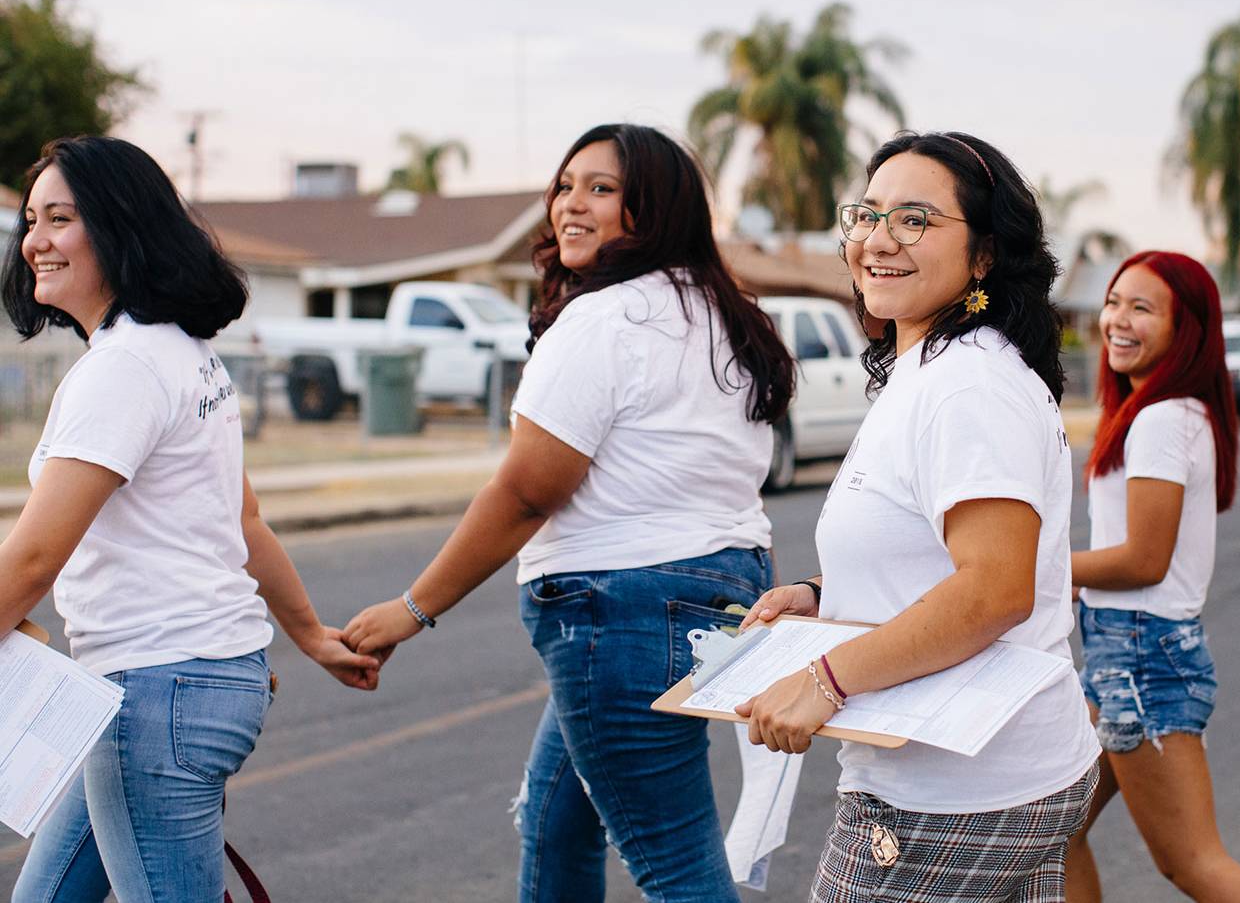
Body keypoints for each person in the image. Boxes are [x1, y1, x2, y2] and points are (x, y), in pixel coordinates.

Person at [342, 123, 794, 903]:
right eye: (566, 185)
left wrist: (412, 609)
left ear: (650, 210)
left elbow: (527, 492)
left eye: (602, 189)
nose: (570, 205)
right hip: (716, 594)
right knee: (556, 821)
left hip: (619, 611)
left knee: (675, 864)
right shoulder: (723, 317)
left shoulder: (603, 321)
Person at [1, 136, 381, 903]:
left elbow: (36, 556)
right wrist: (309, 635)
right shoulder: (181, 353)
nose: (36, 240)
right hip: (171, 688)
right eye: (31, 221)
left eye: (61, 219)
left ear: (118, 228)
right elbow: (241, 520)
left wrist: (305, 636)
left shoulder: (123, 370)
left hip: (157, 696)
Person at [738, 131, 1100, 902]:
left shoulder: (968, 386)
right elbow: (931, 555)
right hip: (983, 770)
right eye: (867, 215)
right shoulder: (929, 372)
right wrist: (819, 594)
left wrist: (825, 680)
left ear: (984, 257)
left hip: (953, 789)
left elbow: (994, 589)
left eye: (915, 219)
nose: (878, 238)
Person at [1062, 251, 1240, 903]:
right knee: (1052, 829)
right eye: (1114, 302)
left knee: (1192, 863)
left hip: (1140, 657)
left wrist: (1037, 570)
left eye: (1142, 308)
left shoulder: (1160, 418)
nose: (1118, 320)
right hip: (1121, 655)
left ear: (1186, 330)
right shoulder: (1168, 412)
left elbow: (1143, 561)